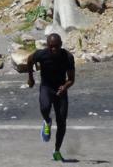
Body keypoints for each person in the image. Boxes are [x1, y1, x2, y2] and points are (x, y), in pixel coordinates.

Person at [27, 33, 75, 161]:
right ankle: (47, 121)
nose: (54, 49)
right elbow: (29, 60)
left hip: (61, 89)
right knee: (44, 107)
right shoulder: (41, 54)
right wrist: (30, 78)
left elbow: (71, 79)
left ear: (61, 45)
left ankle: (56, 150)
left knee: (62, 122)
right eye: (51, 46)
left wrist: (65, 87)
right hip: (46, 86)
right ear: (48, 45)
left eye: (56, 46)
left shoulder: (68, 57)